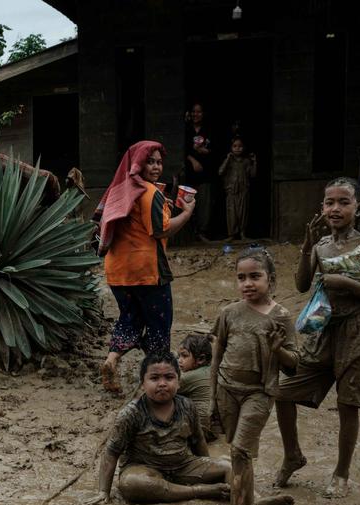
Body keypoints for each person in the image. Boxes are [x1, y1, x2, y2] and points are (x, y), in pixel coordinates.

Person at [274, 177, 360, 497]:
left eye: (344, 202)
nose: (335, 208)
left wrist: (346, 283)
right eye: (329, 203)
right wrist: (306, 249)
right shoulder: (321, 246)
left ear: (358, 207)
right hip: (323, 330)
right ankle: (292, 455)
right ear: (322, 208)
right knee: (282, 393)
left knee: (347, 403)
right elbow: (300, 285)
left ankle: (341, 473)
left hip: (357, 329)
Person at [80, 352, 294, 505]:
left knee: (229, 466)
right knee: (131, 484)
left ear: (179, 382)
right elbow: (111, 452)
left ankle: (254, 503)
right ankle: (201, 492)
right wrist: (103, 491)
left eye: (169, 377)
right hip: (145, 468)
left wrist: (208, 466)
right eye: (154, 378)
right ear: (143, 384)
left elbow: (198, 442)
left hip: (183, 465)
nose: (162, 383)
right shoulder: (131, 413)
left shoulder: (187, 406)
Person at [203, 248, 298, 505]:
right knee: (240, 453)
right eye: (241, 278)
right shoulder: (229, 313)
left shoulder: (281, 317)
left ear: (270, 279)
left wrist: (277, 349)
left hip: (260, 392)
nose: (247, 284)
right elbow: (216, 356)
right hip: (228, 389)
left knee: (240, 451)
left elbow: (293, 365)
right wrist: (213, 396)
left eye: (255, 277)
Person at [93, 140, 195, 394]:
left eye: (159, 162)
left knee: (131, 318)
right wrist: (187, 212)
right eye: (150, 161)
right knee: (159, 325)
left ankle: (111, 360)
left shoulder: (119, 189)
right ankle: (157, 381)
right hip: (146, 271)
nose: (156, 166)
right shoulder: (150, 193)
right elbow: (161, 229)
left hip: (117, 272)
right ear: (137, 163)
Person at [184, 103, 217, 240]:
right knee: (188, 202)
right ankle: (191, 233)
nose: (195, 114)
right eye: (193, 111)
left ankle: (202, 232)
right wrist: (193, 160)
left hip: (205, 174)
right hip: (189, 174)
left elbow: (216, 150)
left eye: (199, 112)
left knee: (204, 204)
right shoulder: (186, 129)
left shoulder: (210, 129)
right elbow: (181, 149)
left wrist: (206, 151)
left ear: (204, 114)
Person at [177, 333, 216, 441]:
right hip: (213, 430)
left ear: (201, 359)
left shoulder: (188, 378)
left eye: (184, 356)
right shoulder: (212, 370)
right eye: (178, 356)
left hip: (198, 432)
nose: (179, 360)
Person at [219, 137, 256, 240]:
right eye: (235, 146)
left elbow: (252, 175)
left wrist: (254, 162)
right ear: (231, 148)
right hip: (231, 190)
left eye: (240, 146)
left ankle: (242, 233)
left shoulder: (246, 161)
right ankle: (231, 234)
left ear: (244, 148)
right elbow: (220, 172)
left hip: (243, 189)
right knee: (231, 212)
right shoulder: (229, 160)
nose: (237, 148)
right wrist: (227, 159)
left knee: (243, 212)